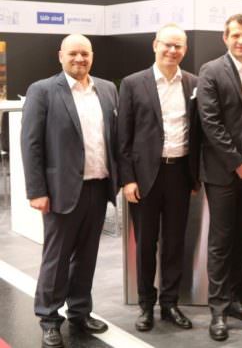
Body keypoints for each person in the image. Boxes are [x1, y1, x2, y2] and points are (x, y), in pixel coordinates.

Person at [21, 34, 119, 348]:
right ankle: (49, 319)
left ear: (92, 56)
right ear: (60, 56)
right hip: (60, 191)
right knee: (56, 259)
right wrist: (37, 190)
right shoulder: (43, 90)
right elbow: (31, 144)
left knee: (87, 257)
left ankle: (80, 312)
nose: (79, 59)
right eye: (73, 53)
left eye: (85, 54)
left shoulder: (107, 89)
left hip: (98, 186)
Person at [117, 24, 200, 332]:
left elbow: (199, 132)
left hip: (180, 173)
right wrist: (128, 179)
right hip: (144, 178)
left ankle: (169, 303)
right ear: (155, 45)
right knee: (145, 245)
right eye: (167, 44)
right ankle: (145, 305)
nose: (172, 51)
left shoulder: (193, 82)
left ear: (185, 50)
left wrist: (195, 177)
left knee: (175, 243)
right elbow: (123, 136)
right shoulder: (132, 83)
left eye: (178, 46)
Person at [197, 13, 242, 342]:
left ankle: (235, 299)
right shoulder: (211, 71)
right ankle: (218, 309)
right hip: (223, 172)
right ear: (225, 38)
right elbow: (210, 123)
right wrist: (236, 162)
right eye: (236, 35)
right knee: (221, 241)